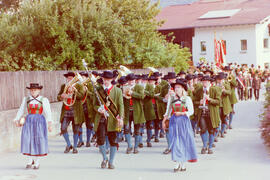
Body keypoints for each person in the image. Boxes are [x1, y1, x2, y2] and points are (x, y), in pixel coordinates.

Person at [14, 83, 52, 169]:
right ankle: (30, 160)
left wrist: (49, 123)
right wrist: (17, 119)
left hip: (39, 121)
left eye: (35, 90)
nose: (33, 91)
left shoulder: (43, 99)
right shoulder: (26, 99)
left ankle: (37, 162)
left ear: (39, 90)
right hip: (29, 121)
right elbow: (21, 109)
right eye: (31, 90)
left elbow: (48, 112)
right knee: (28, 139)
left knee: (38, 140)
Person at [162, 79, 197, 172]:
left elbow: (191, 111)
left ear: (182, 89)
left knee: (184, 141)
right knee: (175, 141)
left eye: (178, 87)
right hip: (174, 122)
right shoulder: (171, 98)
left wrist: (182, 113)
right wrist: (164, 120)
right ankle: (177, 162)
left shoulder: (187, 99)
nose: (176, 89)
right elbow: (168, 111)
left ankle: (183, 163)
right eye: (175, 87)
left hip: (184, 122)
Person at [93, 70, 124, 169]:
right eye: (104, 79)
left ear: (112, 79)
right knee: (100, 140)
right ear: (102, 79)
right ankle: (105, 158)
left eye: (108, 79)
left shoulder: (117, 91)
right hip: (101, 118)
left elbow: (120, 105)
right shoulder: (98, 90)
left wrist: (121, 117)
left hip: (113, 119)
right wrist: (99, 109)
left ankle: (111, 162)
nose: (106, 81)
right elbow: (94, 104)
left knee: (113, 141)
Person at [57, 72, 85, 154]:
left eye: (71, 78)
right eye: (68, 78)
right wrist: (62, 96)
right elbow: (58, 97)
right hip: (66, 110)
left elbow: (81, 96)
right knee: (63, 128)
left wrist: (75, 91)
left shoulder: (79, 86)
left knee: (76, 130)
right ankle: (69, 144)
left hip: (76, 111)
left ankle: (75, 147)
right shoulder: (64, 86)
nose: (69, 80)